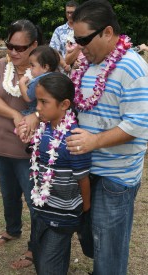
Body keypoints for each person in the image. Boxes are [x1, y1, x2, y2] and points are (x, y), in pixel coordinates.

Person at [65, 1, 148, 275]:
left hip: (116, 176)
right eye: (75, 39)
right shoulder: (86, 64)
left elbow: (139, 123)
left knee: (109, 250)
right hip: (85, 171)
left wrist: (94, 141)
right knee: (91, 239)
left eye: (84, 39)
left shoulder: (132, 67)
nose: (79, 46)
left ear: (108, 32)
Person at [0, 19, 42, 270]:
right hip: (2, 145)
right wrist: (17, 115)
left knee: (34, 202)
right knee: (9, 195)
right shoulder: (1, 66)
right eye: (10, 46)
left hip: (28, 150)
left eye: (21, 48)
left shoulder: (43, 70)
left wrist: (35, 115)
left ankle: (35, 247)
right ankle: (12, 230)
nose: (14, 52)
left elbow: (53, 104)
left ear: (34, 46)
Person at [28, 72, 91, 275]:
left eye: (43, 102)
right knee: (41, 256)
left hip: (63, 215)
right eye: (37, 101)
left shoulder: (73, 139)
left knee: (49, 266)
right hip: (42, 208)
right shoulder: (44, 129)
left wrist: (84, 210)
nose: (37, 108)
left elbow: (83, 179)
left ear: (64, 104)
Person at [19, 45, 60, 116]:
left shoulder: (38, 82)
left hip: (36, 114)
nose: (30, 68)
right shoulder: (57, 77)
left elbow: (28, 97)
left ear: (45, 67)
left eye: (32, 65)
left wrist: (21, 83)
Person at [49, 0, 80, 70]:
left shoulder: (84, 29)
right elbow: (53, 50)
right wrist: (65, 65)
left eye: (72, 12)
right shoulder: (59, 30)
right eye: (67, 12)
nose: (69, 15)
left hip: (82, 69)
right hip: (65, 72)